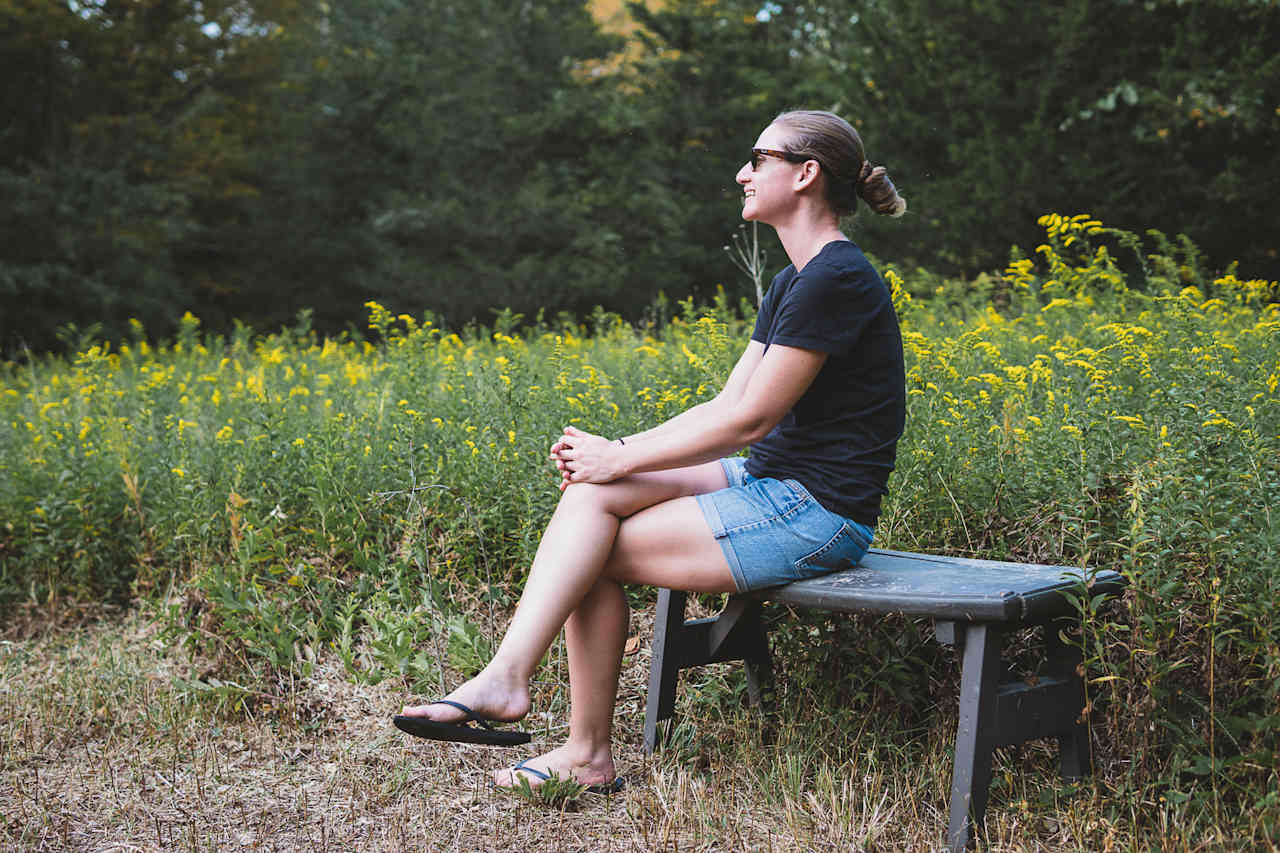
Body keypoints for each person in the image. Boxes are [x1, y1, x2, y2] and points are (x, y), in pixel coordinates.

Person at [395, 109, 908, 792]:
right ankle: (510, 680)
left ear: (805, 173)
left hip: (818, 512)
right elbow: (724, 406)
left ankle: (578, 747)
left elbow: (750, 419)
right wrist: (617, 454)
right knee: (591, 496)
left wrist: (624, 455)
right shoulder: (793, 281)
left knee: (591, 552)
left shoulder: (835, 277)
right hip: (768, 481)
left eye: (758, 158)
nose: (742, 173)